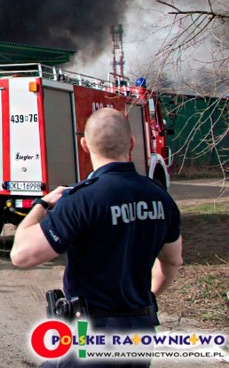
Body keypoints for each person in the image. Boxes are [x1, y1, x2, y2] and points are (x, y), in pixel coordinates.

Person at [10, 108, 183, 367]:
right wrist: (146, 297)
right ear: (132, 143)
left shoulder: (81, 200)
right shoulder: (161, 199)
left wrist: (41, 205)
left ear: (84, 145)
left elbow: (21, 256)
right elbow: (172, 262)